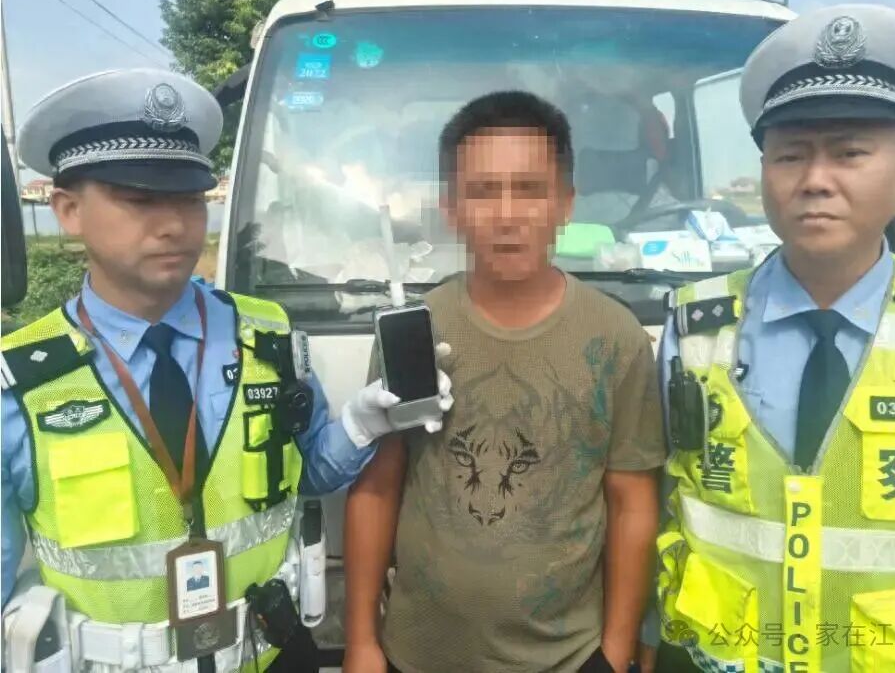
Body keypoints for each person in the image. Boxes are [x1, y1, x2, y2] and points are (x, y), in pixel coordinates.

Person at [0, 68, 452, 672]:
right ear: (69, 209)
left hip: (271, 656)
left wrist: (363, 424)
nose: (173, 225)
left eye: (189, 200)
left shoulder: (267, 335)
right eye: (140, 200)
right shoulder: (19, 384)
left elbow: (311, 473)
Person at [644, 5, 895, 673]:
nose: (814, 180)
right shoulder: (694, 328)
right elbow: (660, 500)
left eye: (849, 153)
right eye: (789, 155)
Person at [343, 91, 667, 673]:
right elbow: (378, 487)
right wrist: (361, 641)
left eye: (531, 189)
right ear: (451, 209)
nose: (508, 215)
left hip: (567, 656)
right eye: (483, 191)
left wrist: (616, 653)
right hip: (415, 654)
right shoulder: (415, 331)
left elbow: (632, 503)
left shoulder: (616, 338)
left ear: (565, 203)